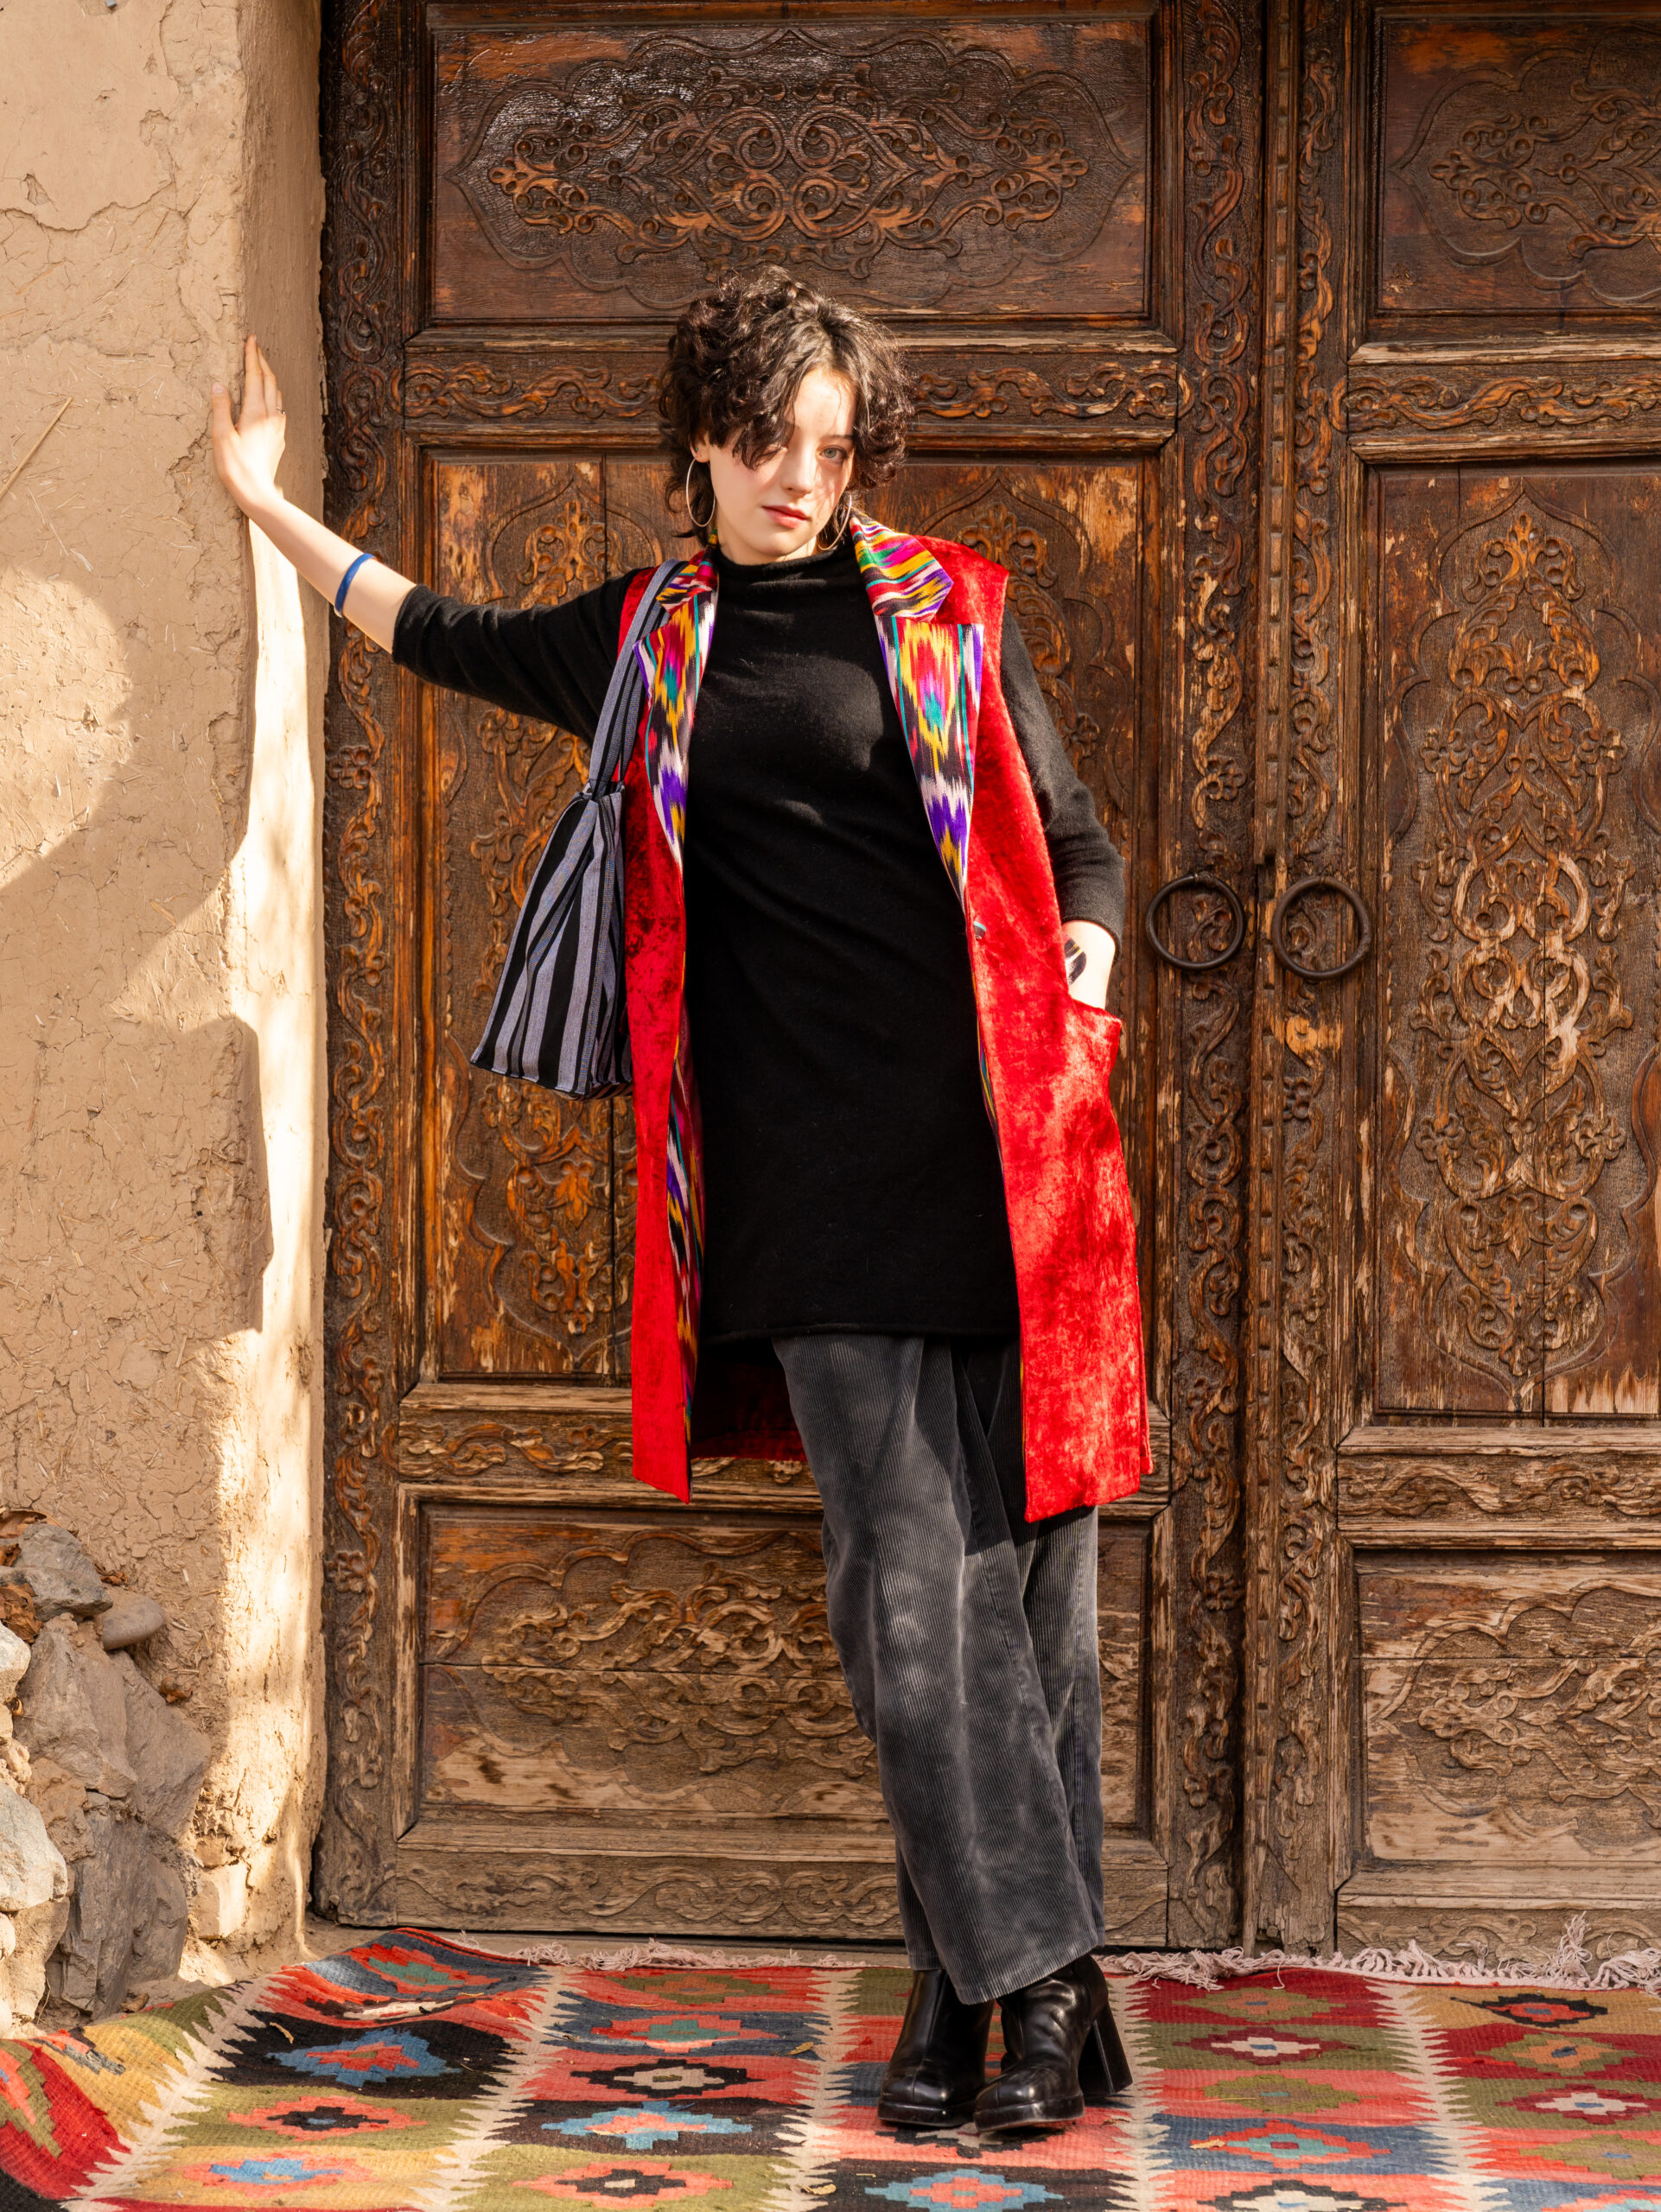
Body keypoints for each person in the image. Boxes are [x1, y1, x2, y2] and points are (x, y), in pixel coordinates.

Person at [210, 265, 1149, 2134]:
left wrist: (1088, 960)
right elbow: (434, 628)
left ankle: (973, 2005)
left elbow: (1081, 841)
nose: (803, 476)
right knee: (910, 1610)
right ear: (700, 444)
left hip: (1001, 1162)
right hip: (803, 1188)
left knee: (1028, 1607)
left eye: (833, 446)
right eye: (769, 442)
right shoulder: (650, 637)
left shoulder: (949, 610)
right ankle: (1039, 1983)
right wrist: (263, 505)